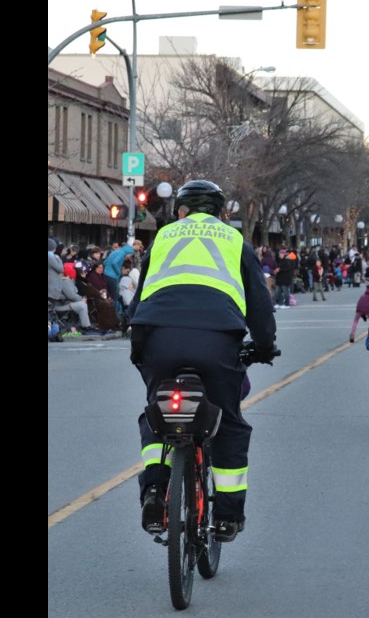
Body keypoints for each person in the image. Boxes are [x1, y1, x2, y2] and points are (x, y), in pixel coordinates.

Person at [128, 180, 277, 543]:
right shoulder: (233, 240)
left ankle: (154, 488)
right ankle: (227, 515)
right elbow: (258, 301)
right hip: (216, 336)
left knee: (155, 411)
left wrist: (137, 341)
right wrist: (264, 345)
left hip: (157, 333)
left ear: (180, 210)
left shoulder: (163, 237)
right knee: (228, 422)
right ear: (220, 213)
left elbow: (142, 291)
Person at [103, 238, 144, 316]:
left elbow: (105, 262)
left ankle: (109, 315)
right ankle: (115, 316)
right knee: (115, 297)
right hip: (113, 276)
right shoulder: (121, 253)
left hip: (106, 275)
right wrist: (118, 272)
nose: (129, 257)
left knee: (109, 296)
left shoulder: (116, 252)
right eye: (130, 255)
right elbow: (115, 263)